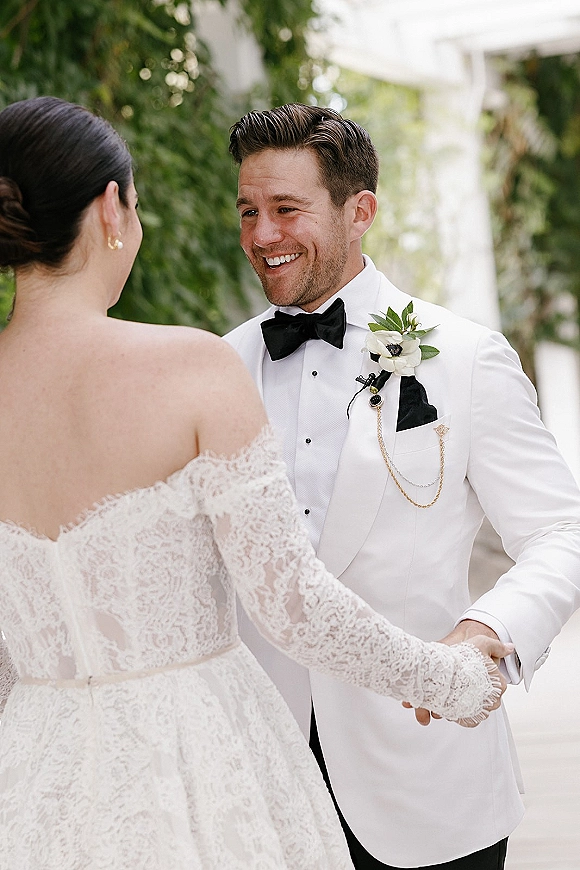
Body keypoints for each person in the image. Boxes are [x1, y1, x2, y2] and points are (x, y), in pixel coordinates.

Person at [0, 96, 511, 870]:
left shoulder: (460, 354)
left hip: (37, 771)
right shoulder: (194, 365)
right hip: (201, 759)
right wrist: (451, 681)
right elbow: (290, 602)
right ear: (111, 208)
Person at [225, 103, 580, 870]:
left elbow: (561, 533)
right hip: (261, 783)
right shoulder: (213, 371)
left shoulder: (464, 356)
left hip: (429, 775)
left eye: (287, 209)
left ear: (361, 213)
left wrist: (487, 634)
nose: (261, 236)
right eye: (249, 211)